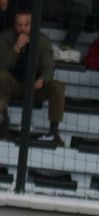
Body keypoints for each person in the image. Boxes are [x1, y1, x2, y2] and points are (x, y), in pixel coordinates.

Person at [0, 10, 66, 143]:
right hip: (12, 86)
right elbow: (2, 65)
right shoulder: (5, 38)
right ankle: (2, 120)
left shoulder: (42, 40)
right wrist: (16, 47)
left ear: (33, 24)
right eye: (19, 24)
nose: (22, 28)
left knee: (58, 87)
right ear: (14, 24)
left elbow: (48, 67)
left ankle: (53, 131)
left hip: (34, 86)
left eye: (26, 24)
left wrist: (42, 79)